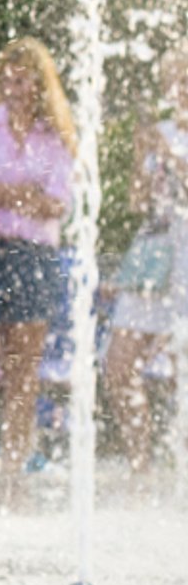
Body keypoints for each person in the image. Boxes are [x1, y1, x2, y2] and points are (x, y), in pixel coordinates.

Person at [0, 37, 75, 497]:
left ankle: (14, 463)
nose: (12, 88)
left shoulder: (56, 133)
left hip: (35, 254)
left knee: (25, 366)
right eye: (5, 79)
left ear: (38, 83)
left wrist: (5, 193)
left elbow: (57, 204)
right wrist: (27, 196)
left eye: (21, 80)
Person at [99, 45, 188, 482]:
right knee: (118, 363)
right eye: (174, 80)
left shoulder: (172, 139)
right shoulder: (161, 130)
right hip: (154, 252)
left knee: (182, 365)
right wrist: (142, 156)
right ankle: (141, 464)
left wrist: (169, 156)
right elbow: (138, 201)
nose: (180, 89)